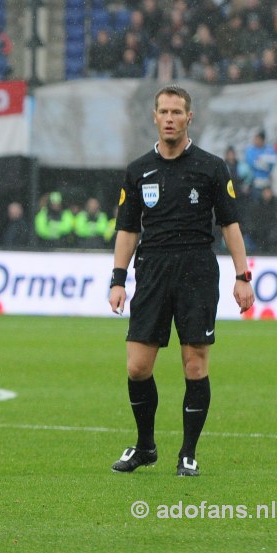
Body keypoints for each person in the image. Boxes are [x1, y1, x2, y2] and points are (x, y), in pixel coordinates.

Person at [108, 85, 254, 477]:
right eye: (164, 112)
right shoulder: (138, 170)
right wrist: (117, 279)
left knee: (195, 366)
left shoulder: (210, 167)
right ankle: (145, 446)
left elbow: (230, 225)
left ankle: (187, 453)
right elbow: (127, 229)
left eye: (177, 112)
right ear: (154, 117)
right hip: (152, 270)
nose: (170, 118)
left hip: (197, 272)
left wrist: (243, 277)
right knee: (138, 367)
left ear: (190, 118)